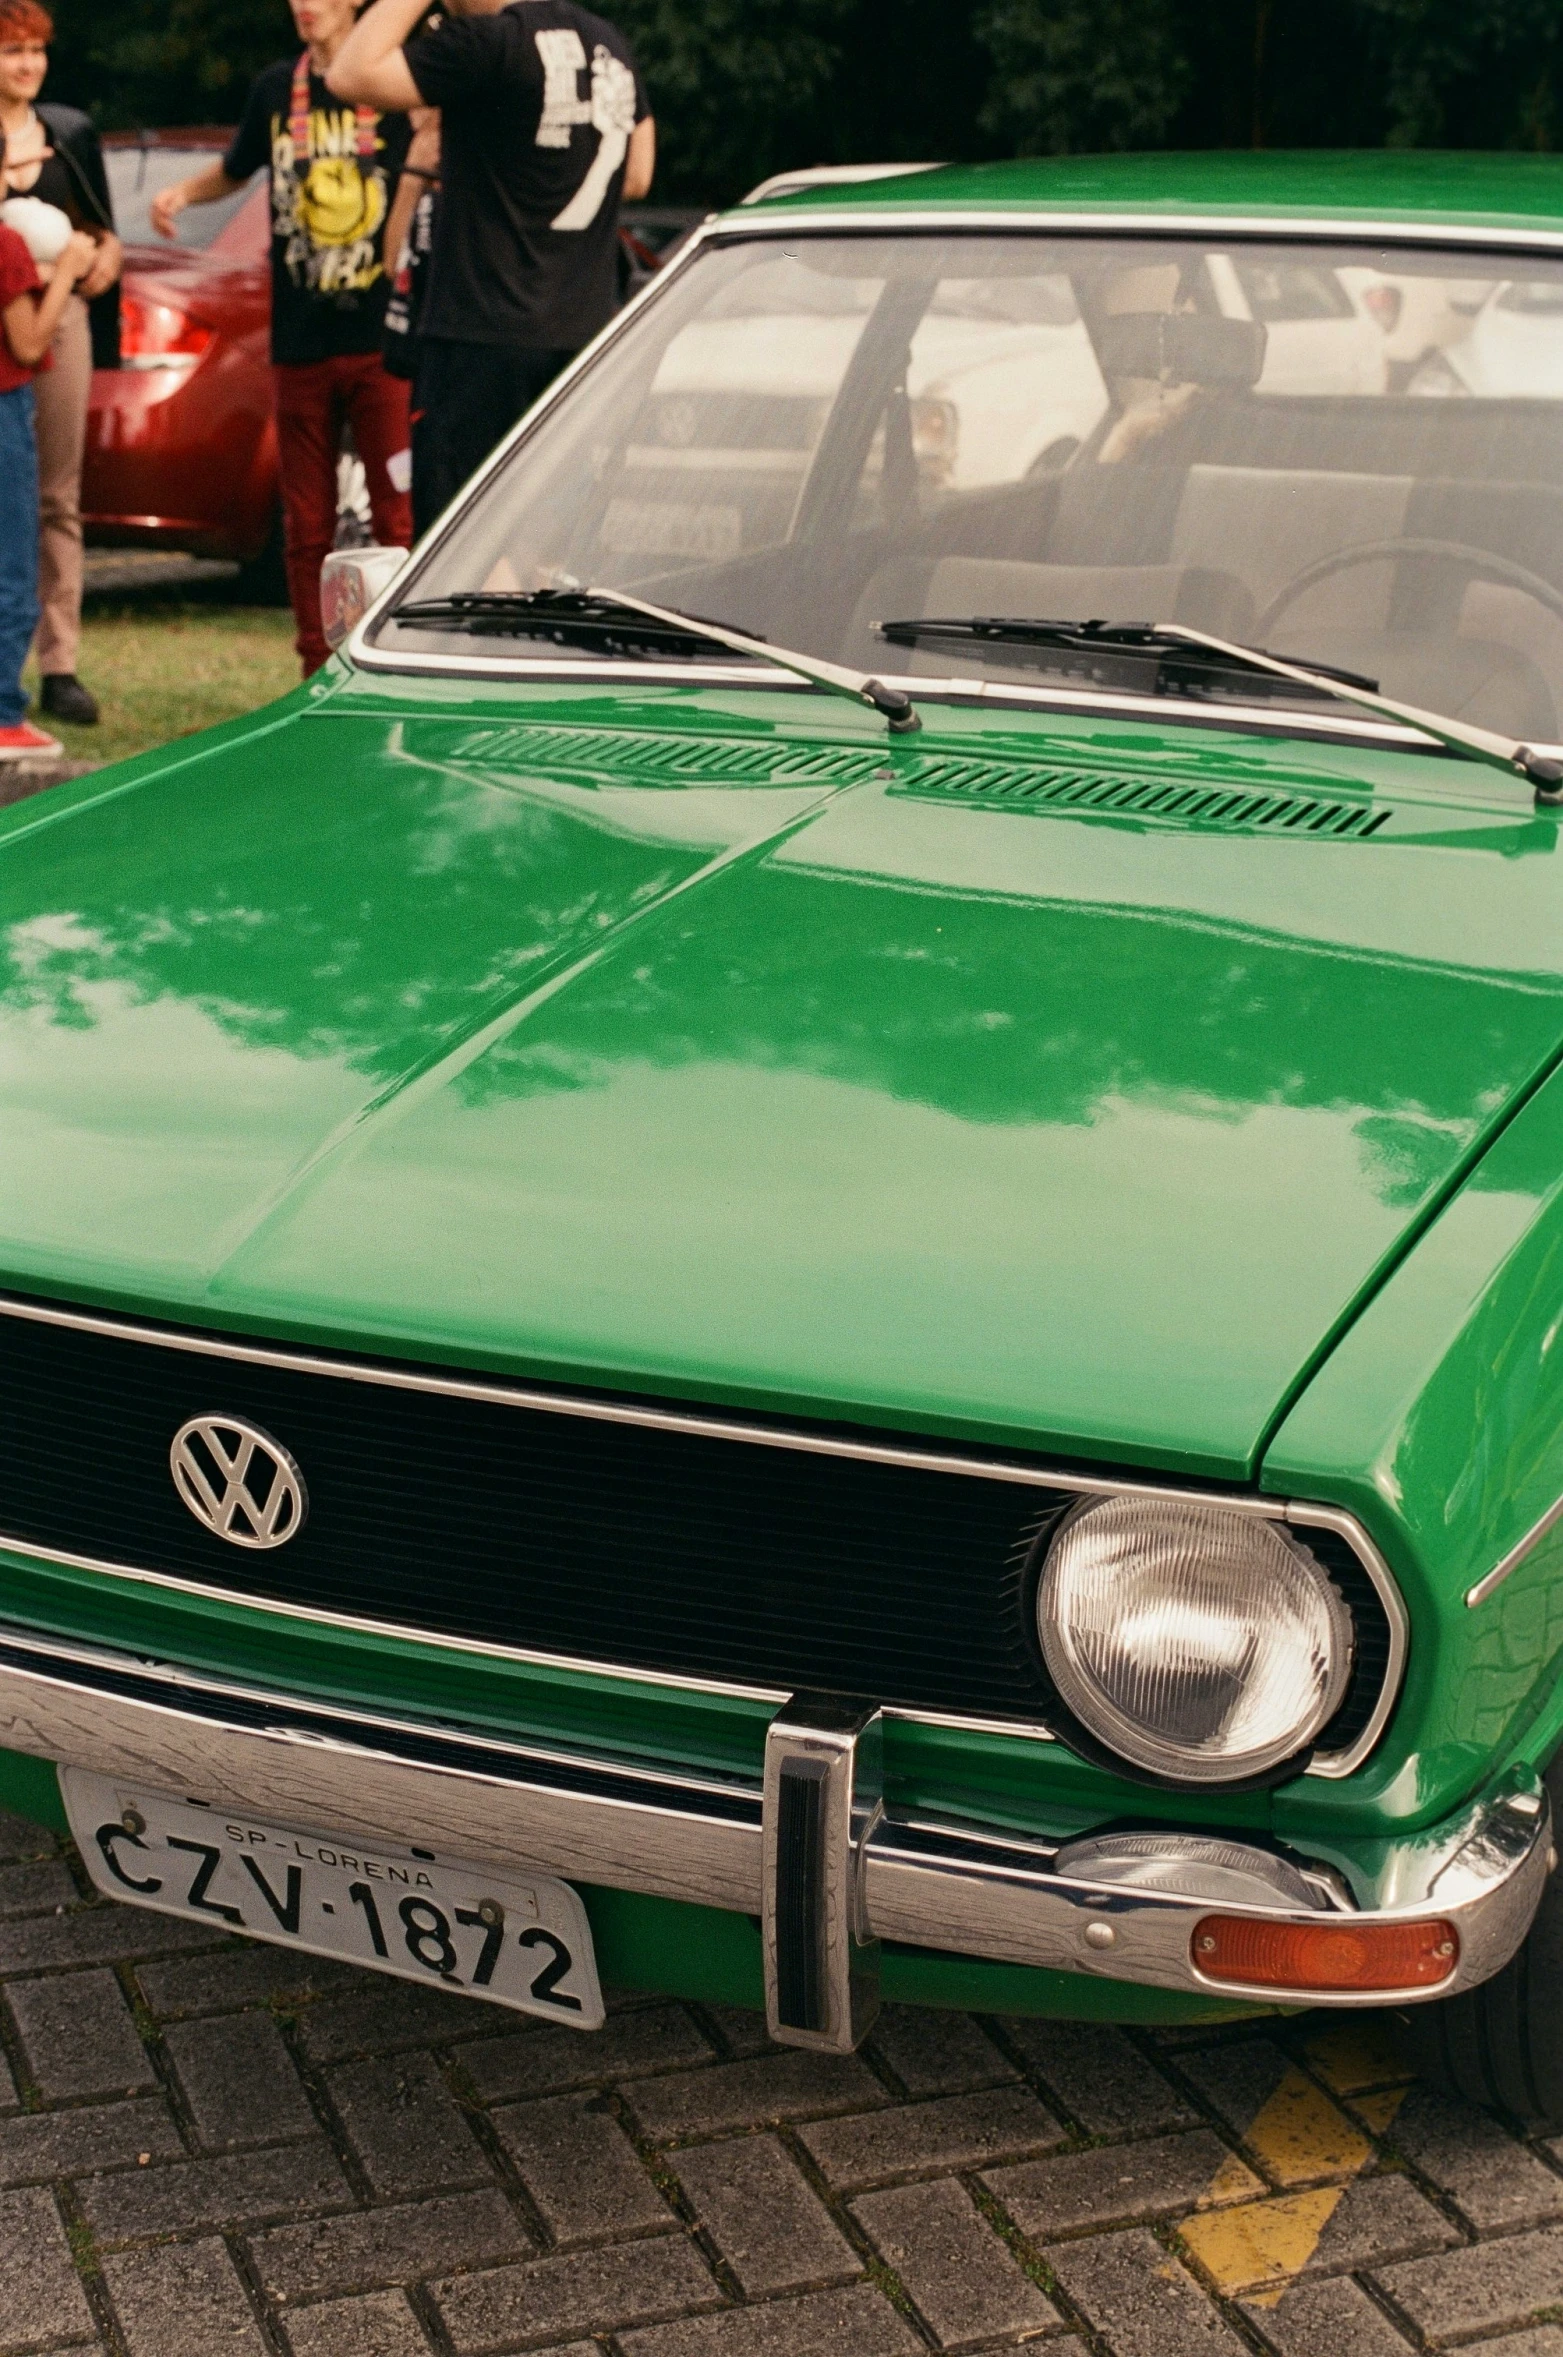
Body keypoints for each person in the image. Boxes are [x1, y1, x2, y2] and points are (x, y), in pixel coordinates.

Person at [151, 0, 413, 675]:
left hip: (381, 340)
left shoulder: (393, 81)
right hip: (301, 341)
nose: (305, 5)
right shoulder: (277, 88)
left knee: (399, 517)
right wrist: (182, 195)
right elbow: (236, 169)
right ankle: (312, 665)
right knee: (306, 525)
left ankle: (402, 657)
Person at [329, 0, 655, 527]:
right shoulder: (607, 43)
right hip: (583, 337)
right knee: (549, 536)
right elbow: (638, 174)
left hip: (481, 336)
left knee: (462, 538)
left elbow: (349, 74)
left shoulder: (489, 43)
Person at [0, 0, 121, 729]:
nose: (27, 65)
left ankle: (60, 662)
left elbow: (105, 235)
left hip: (61, 314)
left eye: (36, 51)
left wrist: (98, 262)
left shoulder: (68, 132)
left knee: (55, 493)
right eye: (13, 50)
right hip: (5, 319)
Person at [0, 204, 96, 758]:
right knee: (12, 565)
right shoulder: (8, 245)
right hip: (4, 413)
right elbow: (29, 343)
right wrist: (64, 273)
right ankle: (3, 714)